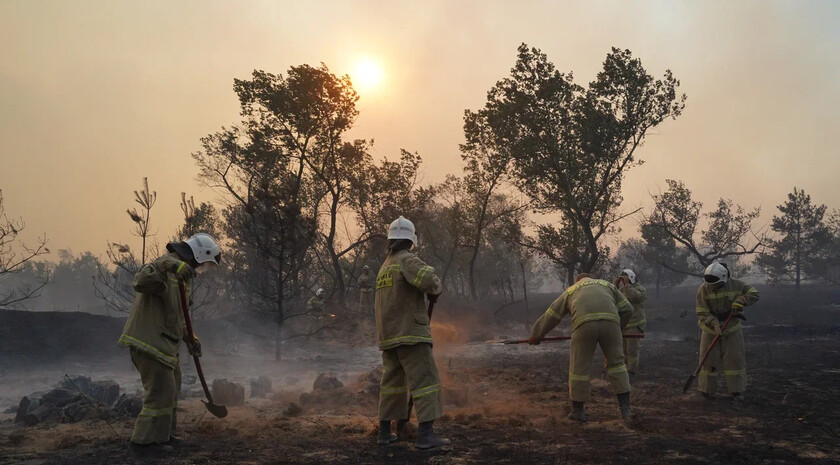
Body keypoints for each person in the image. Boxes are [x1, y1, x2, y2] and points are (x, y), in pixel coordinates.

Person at [118, 233, 221, 447]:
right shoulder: (162, 270)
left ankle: (165, 437)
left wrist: (191, 339)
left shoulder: (181, 280)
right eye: (203, 265)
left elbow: (178, 318)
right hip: (149, 343)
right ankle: (144, 443)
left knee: (170, 392)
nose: (200, 271)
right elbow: (140, 281)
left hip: (165, 346)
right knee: (159, 395)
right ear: (197, 256)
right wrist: (171, 265)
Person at [375, 216, 448, 449]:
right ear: (410, 240)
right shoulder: (406, 260)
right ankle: (426, 435)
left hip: (388, 335)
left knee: (392, 384)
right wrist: (435, 288)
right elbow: (428, 279)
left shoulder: (384, 267)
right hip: (410, 333)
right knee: (425, 380)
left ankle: (385, 432)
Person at [529, 273, 633, 422]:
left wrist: (536, 335)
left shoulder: (571, 290)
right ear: (592, 278)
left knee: (579, 368)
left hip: (584, 325)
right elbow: (628, 309)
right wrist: (617, 329)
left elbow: (552, 314)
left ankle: (578, 412)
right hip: (611, 324)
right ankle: (626, 410)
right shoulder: (607, 285)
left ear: (577, 281)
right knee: (617, 365)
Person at [695, 262, 759, 401]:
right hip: (710, 329)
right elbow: (702, 312)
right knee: (708, 360)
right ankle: (706, 390)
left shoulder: (737, 285)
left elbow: (754, 294)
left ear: (724, 278)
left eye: (716, 284)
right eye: (710, 284)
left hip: (732, 328)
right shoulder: (703, 289)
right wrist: (714, 324)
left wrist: (741, 300)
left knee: (734, 360)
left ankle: (736, 391)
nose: (712, 287)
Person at [613, 269, 647, 378]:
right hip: (623, 324)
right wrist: (615, 286)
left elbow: (636, 297)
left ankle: (631, 371)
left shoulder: (639, 289)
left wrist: (627, 285)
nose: (623, 281)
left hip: (634, 324)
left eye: (624, 279)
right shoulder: (621, 290)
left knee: (631, 350)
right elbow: (613, 298)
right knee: (622, 350)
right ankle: (624, 370)